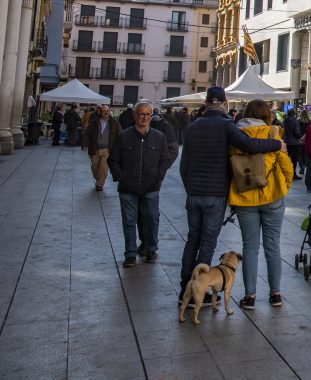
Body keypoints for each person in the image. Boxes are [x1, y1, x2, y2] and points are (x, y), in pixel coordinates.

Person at [177, 86, 285, 307]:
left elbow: (184, 164)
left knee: (192, 241)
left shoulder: (193, 126)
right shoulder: (227, 125)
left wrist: (191, 187)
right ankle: (200, 290)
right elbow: (248, 145)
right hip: (216, 193)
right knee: (208, 243)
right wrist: (276, 145)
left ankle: (185, 289)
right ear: (225, 103)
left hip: (195, 193)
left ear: (206, 103)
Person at [229, 100, 294, 310]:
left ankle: (250, 296)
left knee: (249, 248)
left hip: (244, 197)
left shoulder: (235, 135)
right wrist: (283, 186)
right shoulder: (273, 134)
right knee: (272, 246)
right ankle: (275, 294)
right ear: (267, 115)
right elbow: (287, 166)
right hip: (272, 196)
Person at [108, 102, 176, 267]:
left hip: (151, 187)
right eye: (140, 114)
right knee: (129, 221)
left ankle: (151, 248)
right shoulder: (123, 136)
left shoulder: (159, 137)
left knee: (152, 218)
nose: (144, 117)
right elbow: (113, 160)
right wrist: (121, 177)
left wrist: (158, 176)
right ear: (134, 116)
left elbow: (165, 160)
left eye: (147, 114)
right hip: (128, 188)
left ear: (151, 117)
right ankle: (130, 254)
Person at [85, 105, 121, 192]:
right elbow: (87, 134)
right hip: (95, 148)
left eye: (107, 111)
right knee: (94, 167)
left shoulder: (114, 123)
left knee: (104, 168)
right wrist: (84, 144)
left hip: (107, 149)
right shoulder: (94, 122)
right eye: (104, 111)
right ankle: (98, 178)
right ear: (100, 112)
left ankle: (99, 184)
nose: (106, 112)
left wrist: (119, 147)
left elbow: (119, 135)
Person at [283, 109, 304, 180]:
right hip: (294, 143)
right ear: (294, 114)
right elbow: (297, 132)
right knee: (294, 159)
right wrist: (300, 137)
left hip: (287, 141)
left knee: (286, 159)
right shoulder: (295, 121)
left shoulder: (285, 121)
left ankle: (285, 173)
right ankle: (293, 174)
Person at [296, 109, 311, 177]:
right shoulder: (310, 122)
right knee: (306, 154)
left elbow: (296, 131)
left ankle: (301, 166)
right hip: (307, 140)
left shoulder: (297, 121)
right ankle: (305, 164)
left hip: (299, 140)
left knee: (299, 154)